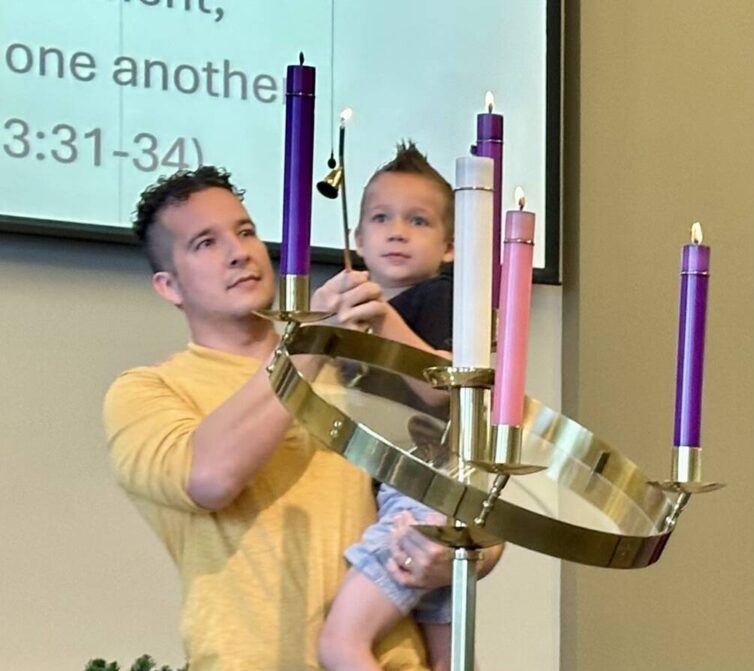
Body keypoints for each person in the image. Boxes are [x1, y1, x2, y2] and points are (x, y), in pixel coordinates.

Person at [102, 165, 455, 671]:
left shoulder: (350, 366)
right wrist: (307, 342)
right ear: (169, 286)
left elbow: (455, 491)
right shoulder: (146, 391)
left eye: (245, 231)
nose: (239, 252)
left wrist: (458, 559)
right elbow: (211, 478)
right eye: (205, 243)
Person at [318, 143, 503, 671]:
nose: (396, 231)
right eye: (381, 218)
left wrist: (382, 324)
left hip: (420, 495)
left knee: (340, 644)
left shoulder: (439, 298)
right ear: (357, 239)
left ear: (449, 247)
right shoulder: (350, 312)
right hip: (418, 494)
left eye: (417, 221)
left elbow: (445, 389)